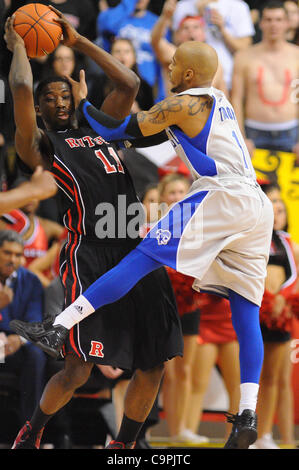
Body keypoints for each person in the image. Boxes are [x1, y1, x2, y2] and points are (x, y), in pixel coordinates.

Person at [12, 32, 276, 448]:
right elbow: (28, 92)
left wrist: (82, 77)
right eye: (54, 98)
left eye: (172, 66)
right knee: (246, 305)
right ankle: (247, 414)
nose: (166, 69)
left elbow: (122, 120)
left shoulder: (180, 103)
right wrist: (25, 52)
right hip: (250, 205)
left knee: (145, 261)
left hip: (217, 197)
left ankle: (60, 329)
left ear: (188, 73)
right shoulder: (216, 101)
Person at [4, 7, 183, 450]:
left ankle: (122, 447)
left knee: (154, 364)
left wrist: (77, 40)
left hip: (137, 251)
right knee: (78, 368)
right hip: (90, 254)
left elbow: (130, 83)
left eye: (65, 95)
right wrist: (21, 45)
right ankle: (32, 432)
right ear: (41, 110)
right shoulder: (41, 145)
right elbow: (23, 85)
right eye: (51, 98)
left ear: (77, 97)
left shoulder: (101, 126)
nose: (58, 101)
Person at [157, 173, 207, 444]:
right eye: (172, 192)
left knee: (186, 370)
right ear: (163, 196)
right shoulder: (154, 227)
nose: (177, 196)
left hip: (189, 303)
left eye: (181, 192)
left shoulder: (196, 226)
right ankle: (170, 429)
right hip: (163, 303)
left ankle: (183, 430)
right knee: (169, 371)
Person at [251, 184, 299, 449]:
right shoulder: (252, 235)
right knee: (249, 377)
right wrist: (266, 299)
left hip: (279, 315)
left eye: (281, 208)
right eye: (273, 206)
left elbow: (295, 275)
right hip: (254, 311)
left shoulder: (289, 243)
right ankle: (243, 432)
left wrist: (282, 298)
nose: (277, 212)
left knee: (272, 378)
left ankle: (265, 434)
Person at [231, 1, 299, 158]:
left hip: (291, 132)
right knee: (254, 182)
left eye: (278, 19)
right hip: (254, 133)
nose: (273, 25)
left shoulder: (297, 56)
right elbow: (236, 99)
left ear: (287, 23)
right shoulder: (244, 57)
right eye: (268, 20)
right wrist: (241, 138)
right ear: (260, 23)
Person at [0, 230, 46, 426]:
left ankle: (29, 430)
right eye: (7, 253)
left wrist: (18, 339)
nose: (12, 259)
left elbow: (35, 321)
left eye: (18, 255)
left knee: (36, 356)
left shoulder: (31, 281)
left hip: (15, 345)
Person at [186, 293, 240, 442]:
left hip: (232, 320)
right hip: (206, 320)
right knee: (198, 384)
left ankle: (234, 436)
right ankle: (188, 433)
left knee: (236, 387)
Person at [171, 0, 255, 90]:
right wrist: (197, 20)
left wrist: (222, 29)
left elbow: (245, 50)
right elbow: (176, 44)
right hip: (190, 81)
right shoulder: (182, 6)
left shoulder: (238, 6)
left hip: (230, 81)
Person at [151, 0, 228, 97]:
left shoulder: (217, 64)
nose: (191, 31)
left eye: (196, 27)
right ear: (178, 35)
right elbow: (155, 41)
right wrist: (165, 16)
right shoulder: (174, 55)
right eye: (185, 28)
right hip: (175, 110)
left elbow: (224, 98)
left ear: (204, 34)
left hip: (206, 111)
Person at [96, 0, 165, 100]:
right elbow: (107, 25)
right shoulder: (110, 16)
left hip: (146, 89)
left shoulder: (157, 23)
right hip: (115, 86)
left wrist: (161, 97)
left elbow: (162, 62)